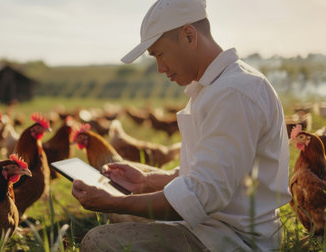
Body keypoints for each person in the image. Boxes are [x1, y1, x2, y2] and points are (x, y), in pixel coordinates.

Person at [71, 0, 291, 251]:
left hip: (234, 238)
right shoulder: (215, 87)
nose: (160, 68)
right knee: (129, 196)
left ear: (189, 35)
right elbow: (207, 172)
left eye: (159, 54)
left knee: (99, 241)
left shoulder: (234, 92)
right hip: (213, 222)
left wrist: (113, 203)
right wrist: (146, 181)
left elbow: (202, 193)